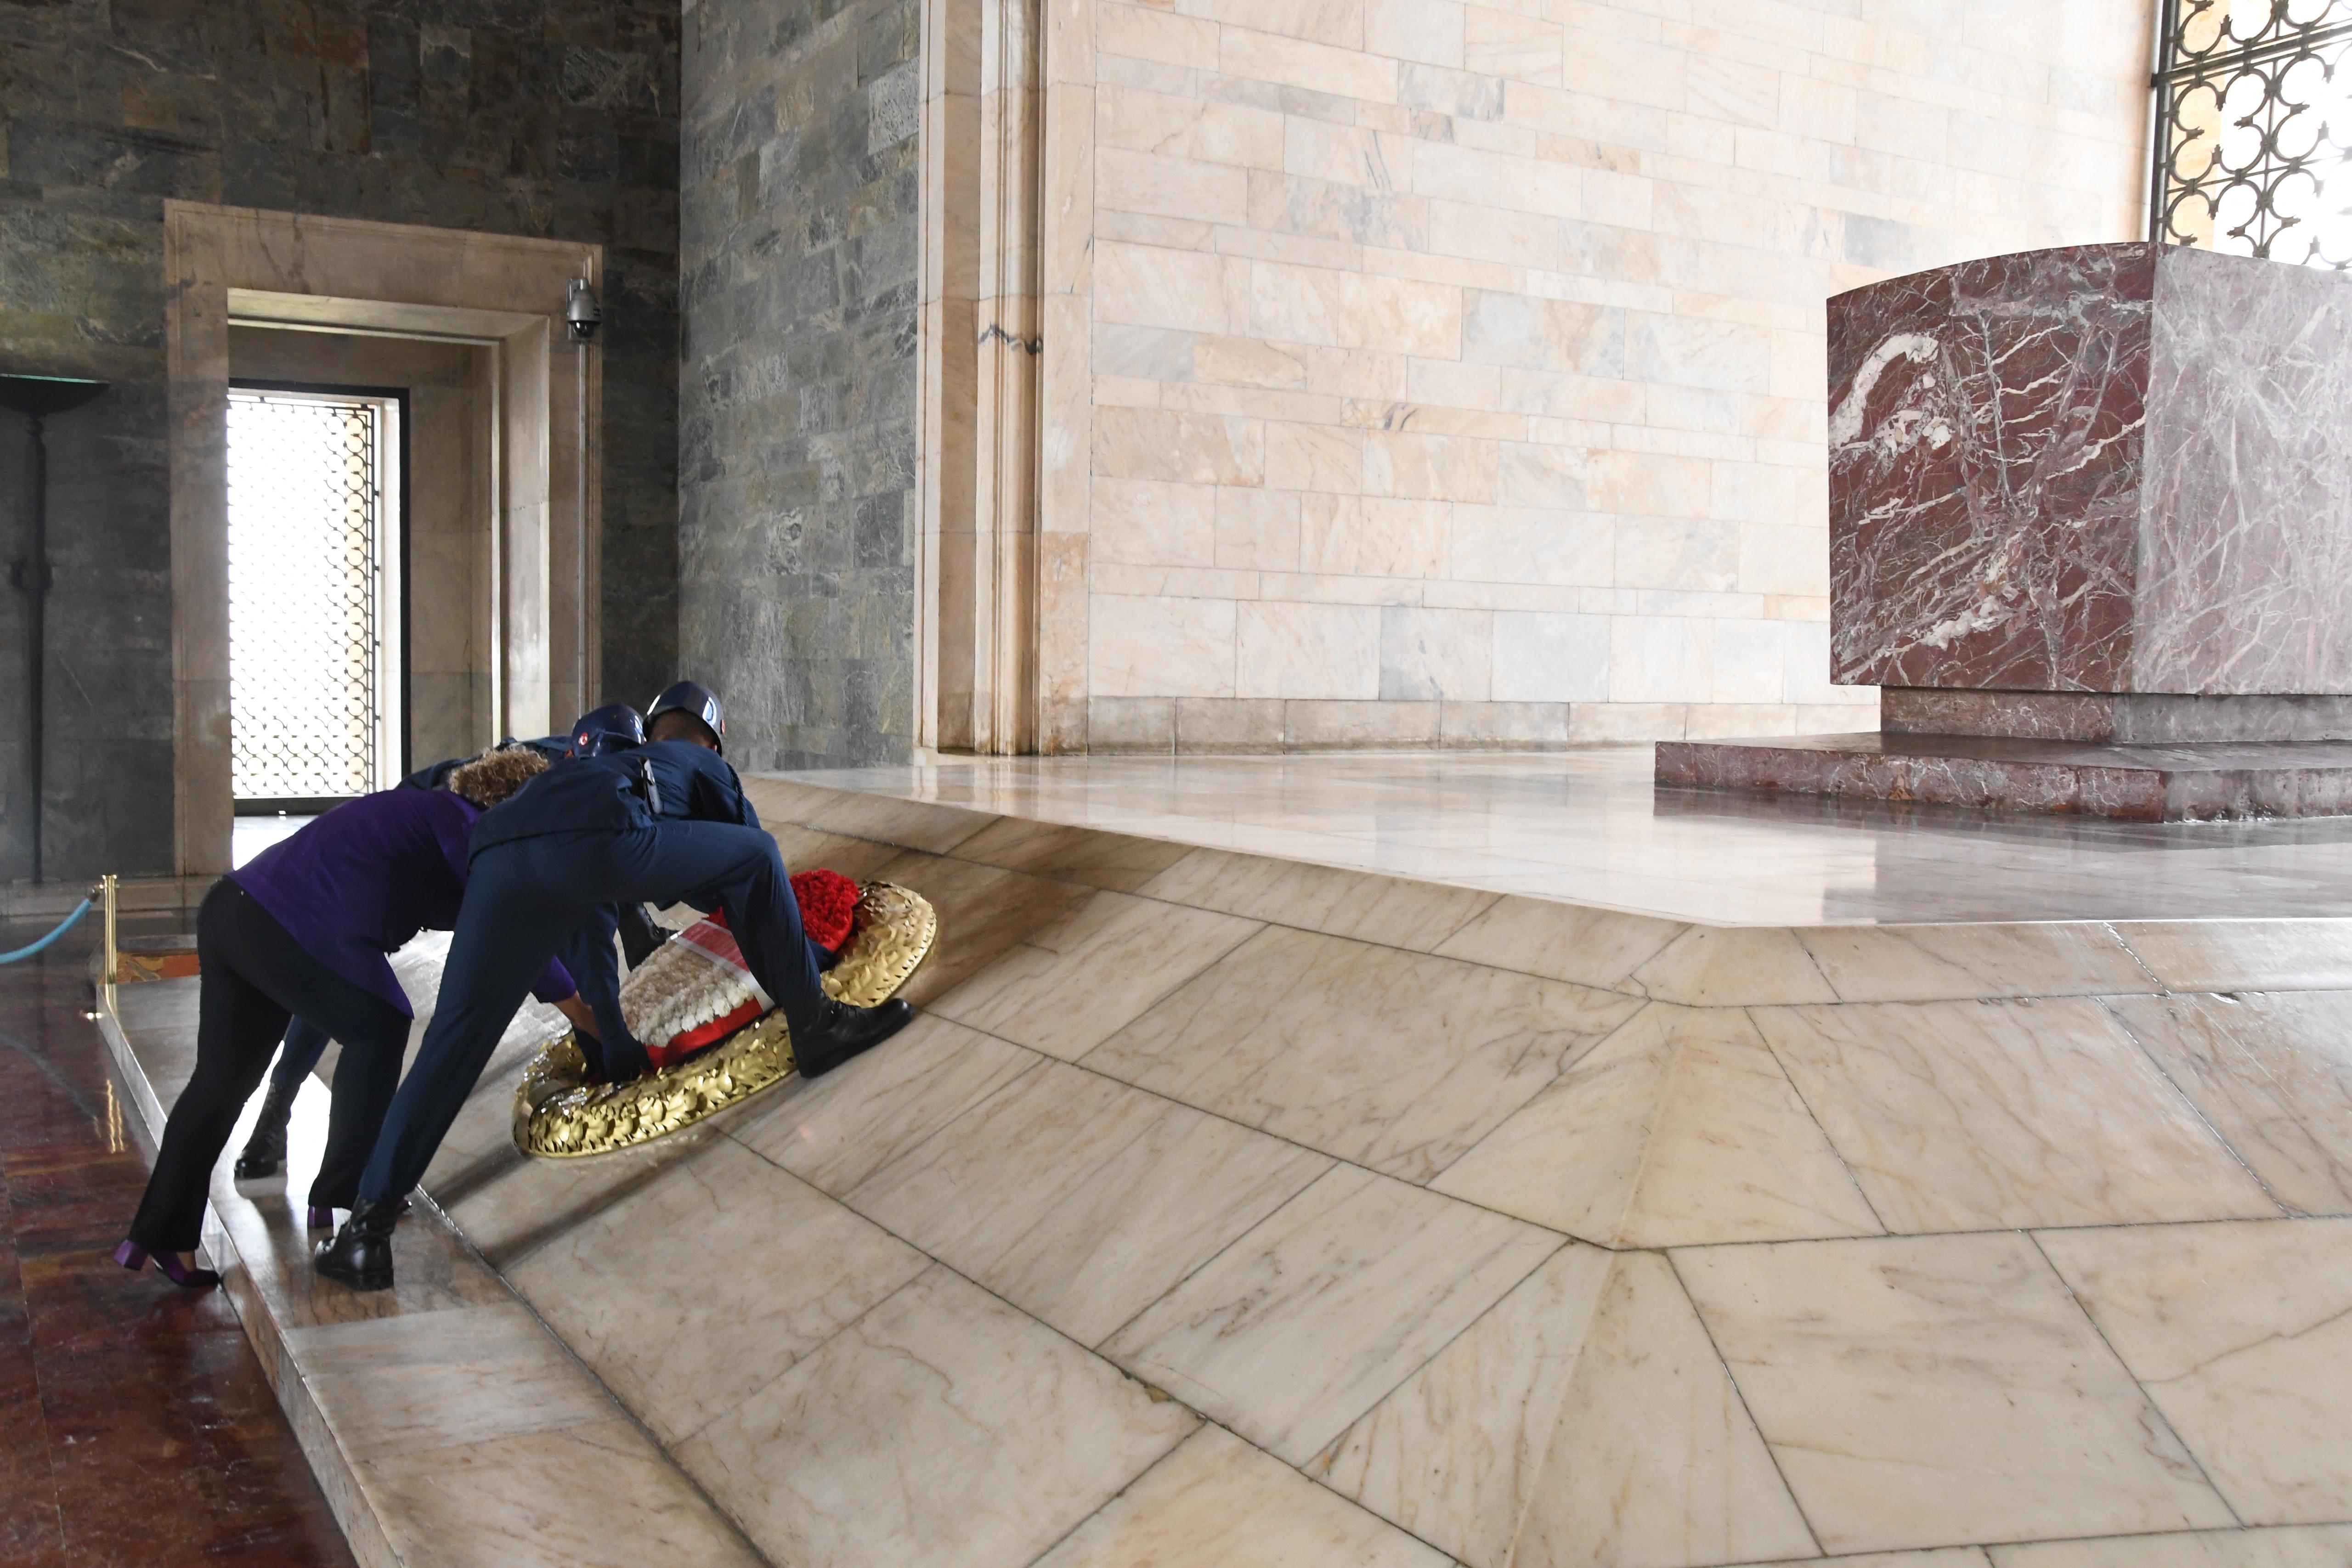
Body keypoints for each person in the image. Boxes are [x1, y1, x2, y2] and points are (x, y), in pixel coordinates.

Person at [316, 680, 913, 1292]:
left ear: (652, 729)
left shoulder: (591, 761)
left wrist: (608, 1014)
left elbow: (595, 912)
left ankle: (366, 1231)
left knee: (454, 1039)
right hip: (600, 842)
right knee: (758, 852)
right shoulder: (702, 764)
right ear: (712, 740)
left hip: (496, 857)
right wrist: (806, 957)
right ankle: (818, 1026)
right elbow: (741, 883)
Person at [114, 748, 601, 1289]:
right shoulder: (463, 825)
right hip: (286, 927)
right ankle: (348, 1200)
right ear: (515, 806)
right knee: (380, 1026)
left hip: (234, 911)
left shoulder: (425, 813)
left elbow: (487, 921)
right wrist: (581, 1012)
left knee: (220, 1084)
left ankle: (163, 1231)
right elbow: (508, 924)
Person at [231, 705, 664, 1185]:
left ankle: (333, 1167)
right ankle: (276, 1120)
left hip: (447, 836)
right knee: (337, 972)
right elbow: (543, 918)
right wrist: (595, 1022)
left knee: (346, 980)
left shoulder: (598, 777)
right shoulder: (555, 787)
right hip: (422, 825)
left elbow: (601, 882)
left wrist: (638, 933)